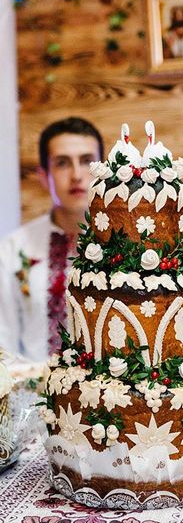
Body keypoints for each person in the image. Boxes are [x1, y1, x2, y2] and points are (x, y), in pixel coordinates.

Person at [0, 117, 103, 362]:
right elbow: (4, 343)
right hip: (31, 395)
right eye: (62, 163)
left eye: (87, 161)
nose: (77, 175)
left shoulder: (129, 249)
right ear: (44, 176)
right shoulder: (14, 249)